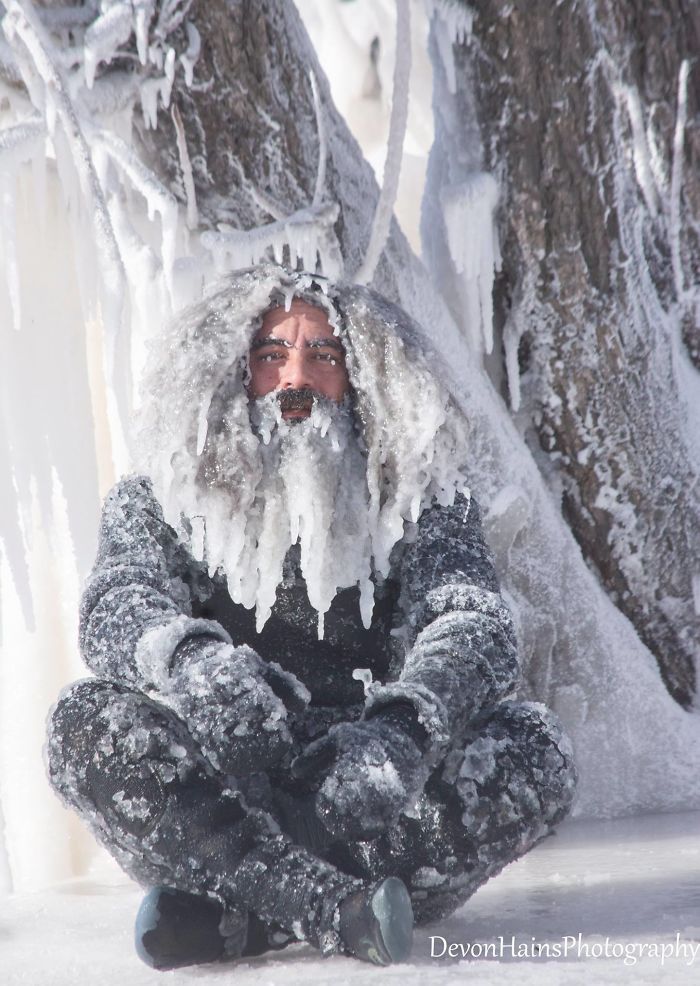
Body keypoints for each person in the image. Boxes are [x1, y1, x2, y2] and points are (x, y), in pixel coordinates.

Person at [46, 264, 577, 970]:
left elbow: (472, 620)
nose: (295, 378)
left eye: (323, 354)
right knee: (82, 724)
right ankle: (327, 907)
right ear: (232, 371)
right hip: (222, 800)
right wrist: (195, 665)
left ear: (361, 377)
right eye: (271, 353)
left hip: (373, 802)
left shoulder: (419, 496)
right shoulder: (161, 495)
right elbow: (118, 604)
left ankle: (251, 918)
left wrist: (403, 730)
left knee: (535, 749)